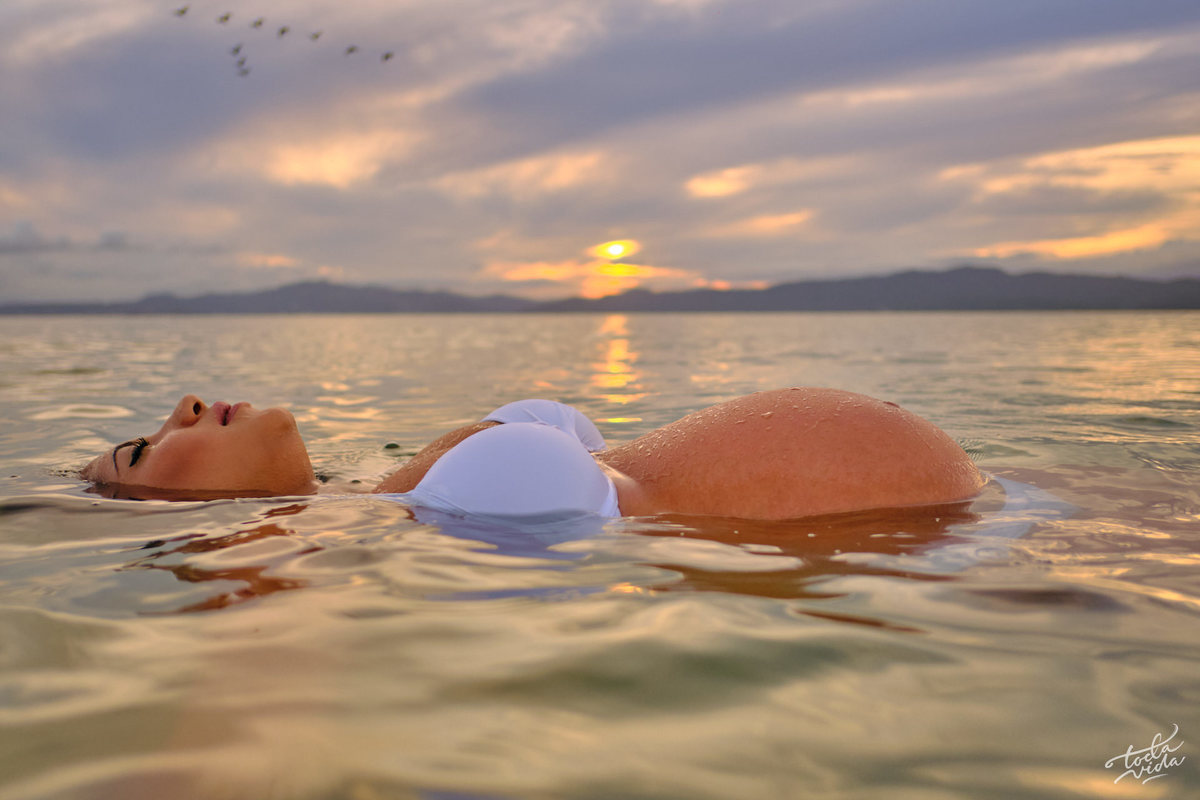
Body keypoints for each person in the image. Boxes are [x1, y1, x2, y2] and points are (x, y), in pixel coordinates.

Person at [80, 388, 985, 519]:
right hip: (923, 569)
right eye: (140, 452)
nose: (182, 408)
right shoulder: (311, 575)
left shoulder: (360, 499)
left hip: (994, 510)